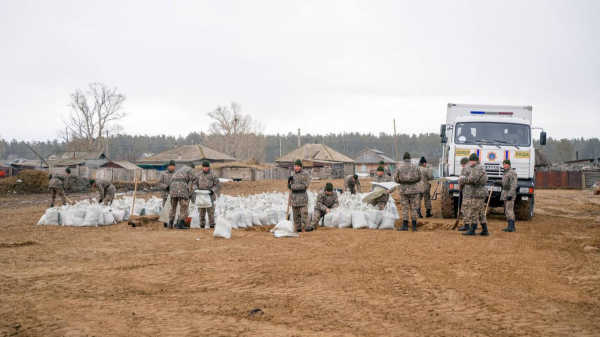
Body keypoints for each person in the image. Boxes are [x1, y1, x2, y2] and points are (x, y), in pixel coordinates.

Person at [460, 153, 489, 236]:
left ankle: (472, 229)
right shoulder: (479, 168)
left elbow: (472, 179)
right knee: (481, 212)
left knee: (474, 211)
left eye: (471, 161)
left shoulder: (477, 168)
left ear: (473, 161)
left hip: (477, 193)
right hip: (480, 192)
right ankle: (485, 230)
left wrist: (462, 179)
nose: (470, 163)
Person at [394, 152, 422, 231]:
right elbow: (420, 177)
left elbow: (395, 178)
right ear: (409, 159)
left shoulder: (399, 167)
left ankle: (405, 226)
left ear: (403, 159)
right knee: (413, 207)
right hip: (414, 189)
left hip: (403, 190)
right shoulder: (416, 167)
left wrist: (402, 182)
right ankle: (414, 226)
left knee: (405, 207)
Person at [169, 163, 197, 230]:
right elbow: (194, 178)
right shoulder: (190, 170)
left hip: (173, 189)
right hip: (182, 189)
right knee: (183, 207)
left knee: (173, 207)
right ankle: (180, 224)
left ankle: (170, 223)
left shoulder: (179, 170)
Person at [193, 159, 221, 229]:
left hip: (210, 196)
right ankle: (202, 225)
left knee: (210, 211)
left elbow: (217, 185)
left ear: (209, 167)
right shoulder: (198, 174)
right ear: (202, 167)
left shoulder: (213, 175)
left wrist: (212, 191)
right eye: (204, 167)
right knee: (201, 211)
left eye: (207, 167)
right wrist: (196, 189)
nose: (205, 168)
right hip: (201, 196)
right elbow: (194, 183)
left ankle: (211, 225)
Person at [288, 159, 310, 232]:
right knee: (296, 217)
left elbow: (304, 186)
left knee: (304, 215)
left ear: (301, 166)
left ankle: (308, 229)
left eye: (297, 166)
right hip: (294, 199)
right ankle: (299, 229)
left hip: (302, 199)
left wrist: (292, 186)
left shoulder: (305, 174)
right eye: (295, 166)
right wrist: (289, 182)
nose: (296, 168)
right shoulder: (293, 174)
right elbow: (290, 186)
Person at [157, 160, 176, 228]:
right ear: (168, 166)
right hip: (165, 194)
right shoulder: (163, 174)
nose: (172, 167)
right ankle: (165, 223)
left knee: (173, 209)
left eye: (173, 166)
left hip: (174, 195)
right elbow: (159, 183)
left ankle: (172, 223)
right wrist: (166, 187)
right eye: (170, 166)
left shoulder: (176, 174)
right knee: (165, 208)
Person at [501, 159, 518, 232]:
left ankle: (511, 226)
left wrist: (510, 195)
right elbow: (506, 182)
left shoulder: (511, 173)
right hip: (505, 193)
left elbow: (513, 185)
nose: (505, 165)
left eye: (506, 164)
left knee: (509, 210)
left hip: (509, 193)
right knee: (507, 210)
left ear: (509, 165)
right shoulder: (506, 172)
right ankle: (511, 226)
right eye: (504, 164)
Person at [457, 157, 471, 231]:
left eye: (462, 164)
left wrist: (460, 187)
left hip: (467, 191)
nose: (462, 166)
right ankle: (474, 225)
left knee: (465, 207)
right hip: (474, 192)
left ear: (464, 163)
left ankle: (467, 225)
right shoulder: (474, 168)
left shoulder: (465, 169)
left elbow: (461, 180)